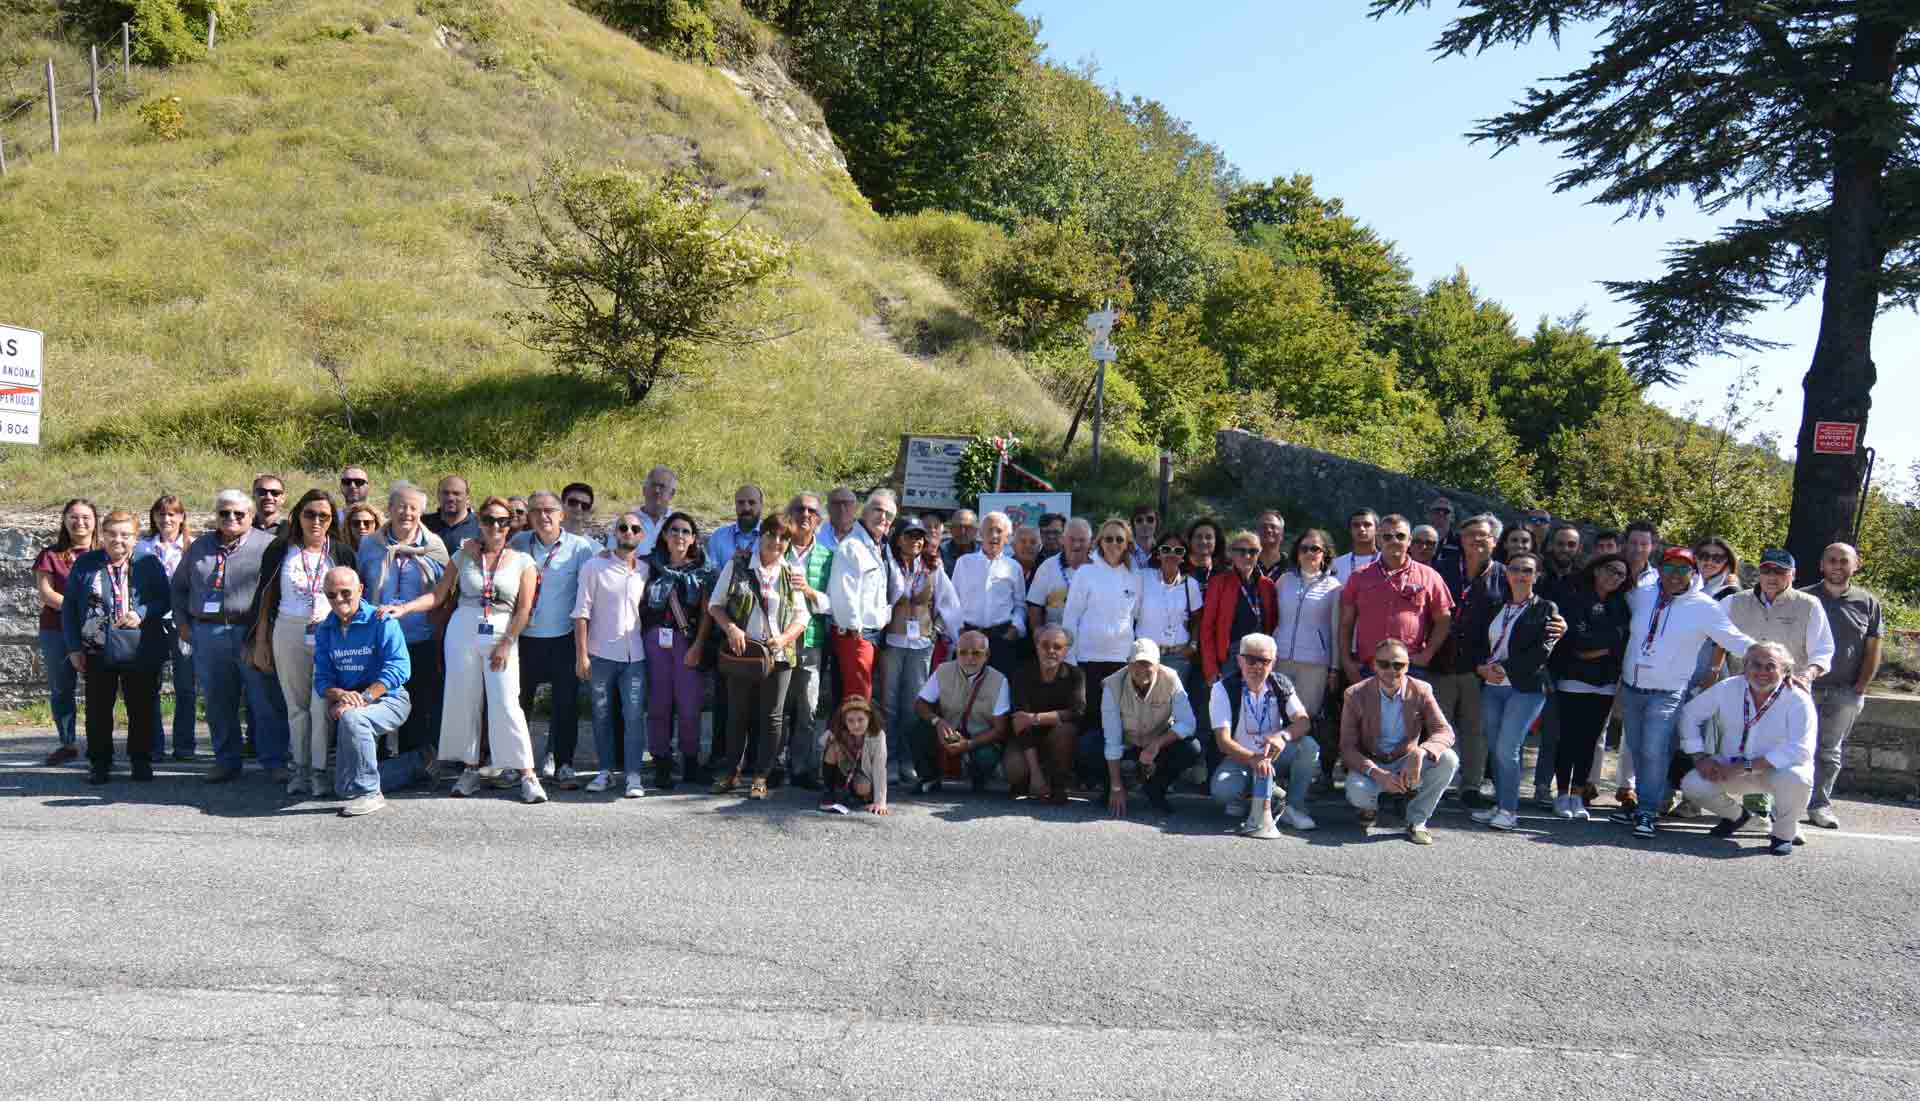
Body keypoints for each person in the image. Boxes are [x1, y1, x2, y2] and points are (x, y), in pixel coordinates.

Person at [383, 496, 545, 804]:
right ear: (479, 522)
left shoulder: (523, 561)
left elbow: (523, 610)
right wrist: (405, 609)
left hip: (501, 630)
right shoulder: (464, 554)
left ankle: (527, 774)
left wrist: (507, 642)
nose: (495, 527)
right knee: (462, 700)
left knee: (507, 702)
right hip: (462, 630)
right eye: (488, 520)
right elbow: (438, 596)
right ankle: (470, 768)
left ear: (510, 525)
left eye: (502, 521)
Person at [1612, 547, 1755, 839]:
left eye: (1682, 570)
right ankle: (1642, 804)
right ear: (1660, 570)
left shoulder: (1703, 606)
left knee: (1654, 749)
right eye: (1669, 568)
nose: (1675, 575)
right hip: (1632, 688)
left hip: (1667, 692)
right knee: (1637, 749)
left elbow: (1734, 639)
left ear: (1693, 574)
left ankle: (1648, 811)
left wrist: (1771, 658)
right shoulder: (1642, 594)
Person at [249, 489, 357, 797]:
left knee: (321, 703)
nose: (316, 521)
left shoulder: (340, 551)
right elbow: (266, 599)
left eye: (324, 516)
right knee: (296, 707)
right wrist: (260, 642)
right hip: (288, 630)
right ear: (298, 515)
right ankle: (300, 768)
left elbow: (354, 597)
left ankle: (321, 770)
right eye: (310, 514)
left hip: (329, 634)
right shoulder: (281, 550)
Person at [173, 490, 285, 783]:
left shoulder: (269, 545)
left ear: (251, 515)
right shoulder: (199, 546)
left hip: (251, 632)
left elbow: (278, 590)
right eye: (224, 513)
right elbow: (178, 587)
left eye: (239, 513)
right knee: (217, 701)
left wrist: (268, 632)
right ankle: (226, 760)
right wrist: (183, 625)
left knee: (265, 699)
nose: (231, 518)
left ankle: (274, 761)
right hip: (207, 633)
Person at [63, 510, 173, 784]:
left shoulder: (149, 563)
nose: (118, 540)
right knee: (98, 709)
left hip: (139, 645)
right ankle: (100, 763)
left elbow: (166, 599)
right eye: (112, 533)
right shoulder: (86, 563)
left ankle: (140, 760)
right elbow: (69, 607)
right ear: (102, 535)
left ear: (136, 538)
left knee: (141, 707)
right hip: (96, 646)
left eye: (125, 535)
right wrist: (74, 647)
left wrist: (142, 612)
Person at [1676, 641, 1815, 856]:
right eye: (1755, 665)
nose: (1762, 672)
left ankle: (1783, 833)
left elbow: (1800, 750)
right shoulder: (1729, 687)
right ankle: (1739, 817)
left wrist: (1746, 766)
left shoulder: (1798, 698)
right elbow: (1690, 714)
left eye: (1770, 666)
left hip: (1777, 771)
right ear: (1745, 667)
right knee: (1693, 784)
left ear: (1784, 670)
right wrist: (1700, 757)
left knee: (1797, 779)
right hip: (1731, 767)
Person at [707, 513, 810, 800]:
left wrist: (785, 638)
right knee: (736, 714)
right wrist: (731, 629)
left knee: (772, 717)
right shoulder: (738, 564)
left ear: (788, 543)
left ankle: (761, 776)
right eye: (771, 534)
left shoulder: (791, 572)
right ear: (761, 535)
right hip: (744, 653)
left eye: (783, 538)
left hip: (778, 655)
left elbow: (803, 617)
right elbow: (715, 605)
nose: (775, 542)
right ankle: (730, 773)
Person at [1458, 551, 1560, 831]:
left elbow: (1542, 650)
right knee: (1495, 748)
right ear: (1507, 573)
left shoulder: (1545, 608)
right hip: (1492, 687)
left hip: (1525, 688)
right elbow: (1479, 642)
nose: (1520, 575)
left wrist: (1504, 669)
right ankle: (1500, 805)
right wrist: (1481, 668)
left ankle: (1509, 811)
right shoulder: (1496, 607)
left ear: (1536, 575)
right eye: (1515, 569)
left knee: (1507, 749)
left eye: (1527, 570)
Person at [314, 567, 427, 817]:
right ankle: (420, 762)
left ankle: (370, 793)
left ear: (360, 590)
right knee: (344, 789)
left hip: (390, 699)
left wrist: (362, 700)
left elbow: (400, 668)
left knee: (354, 718)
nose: (340, 599)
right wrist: (340, 694)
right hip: (349, 704)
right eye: (332, 595)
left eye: (346, 593)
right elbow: (322, 680)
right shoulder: (324, 630)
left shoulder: (381, 620)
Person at [356, 484, 451, 769]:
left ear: (421, 511)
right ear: (389, 508)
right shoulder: (370, 545)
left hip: (419, 637)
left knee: (418, 704)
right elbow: (359, 587)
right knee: (375, 699)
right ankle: (377, 763)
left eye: (412, 507)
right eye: (400, 506)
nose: (406, 513)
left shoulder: (434, 547)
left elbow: (445, 593)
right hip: (379, 638)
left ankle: (411, 767)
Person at [507, 491, 598, 787]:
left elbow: (590, 594)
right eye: (536, 511)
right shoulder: (519, 544)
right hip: (527, 638)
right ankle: (517, 763)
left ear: (561, 515)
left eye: (549, 511)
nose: (543, 516)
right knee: (519, 703)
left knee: (565, 704)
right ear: (529, 517)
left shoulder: (580, 548)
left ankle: (564, 764)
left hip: (563, 639)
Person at [1340, 639, 1459, 845]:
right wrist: (1379, 774)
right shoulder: (1355, 694)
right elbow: (1347, 748)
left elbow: (1444, 731)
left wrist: (1420, 752)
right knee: (1358, 792)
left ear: (1407, 666)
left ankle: (1417, 820)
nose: (1391, 670)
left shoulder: (1421, 690)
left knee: (1449, 759)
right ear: (1374, 665)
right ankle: (1369, 808)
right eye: (1384, 664)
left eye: (1398, 665)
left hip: (1407, 761)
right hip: (1373, 763)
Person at [1802, 543, 1883, 830]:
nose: (1837, 565)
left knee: (1829, 751)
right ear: (1822, 565)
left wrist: (1860, 687)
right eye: (1831, 560)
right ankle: (1786, 805)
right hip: (1804, 688)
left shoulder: (1868, 602)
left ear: (1855, 565)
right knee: (1796, 748)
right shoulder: (1804, 598)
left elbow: (1873, 648)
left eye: (1843, 561)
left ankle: (1819, 806)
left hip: (1845, 691)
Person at [1546, 553, 1631, 819]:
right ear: (1596, 570)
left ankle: (1577, 795)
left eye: (1620, 574)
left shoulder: (1621, 605)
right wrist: (1609, 643)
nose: (1613, 577)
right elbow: (1579, 644)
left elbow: (1623, 643)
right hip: (1573, 679)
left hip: (1605, 684)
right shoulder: (1576, 598)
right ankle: (1561, 795)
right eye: (1610, 569)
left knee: (1588, 743)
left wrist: (1603, 645)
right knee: (1568, 740)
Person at [573, 511, 651, 799]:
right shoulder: (595, 566)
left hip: (635, 657)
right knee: (602, 715)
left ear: (642, 536)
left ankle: (633, 775)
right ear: (615, 533)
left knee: (632, 716)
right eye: (623, 528)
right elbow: (581, 613)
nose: (628, 532)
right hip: (600, 654)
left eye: (634, 529)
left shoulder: (645, 569)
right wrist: (582, 655)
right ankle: (605, 771)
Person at [1430, 512, 1506, 807]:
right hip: (1442, 661)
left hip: (1480, 668)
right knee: (1439, 727)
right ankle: (1435, 783)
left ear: (1494, 542)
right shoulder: (1443, 569)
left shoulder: (1504, 574)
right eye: (1469, 535)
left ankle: (1470, 786)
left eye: (1483, 535)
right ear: (1460, 540)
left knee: (1476, 730)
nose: (1475, 540)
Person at [878, 517, 961, 785]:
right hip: (892, 641)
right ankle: (887, 759)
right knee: (889, 704)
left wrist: (954, 637)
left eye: (920, 536)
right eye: (910, 535)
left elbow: (949, 604)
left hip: (922, 643)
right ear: (898, 538)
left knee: (914, 704)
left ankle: (908, 760)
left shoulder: (933, 568)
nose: (916, 541)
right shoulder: (887, 564)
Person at [1208, 633, 1317, 832]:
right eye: (1250, 660)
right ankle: (1260, 796)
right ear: (1239, 660)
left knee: (1309, 747)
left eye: (1264, 661)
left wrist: (1282, 736)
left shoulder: (1281, 684)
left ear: (1273, 663)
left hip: (1274, 755)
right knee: (1222, 792)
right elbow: (1223, 741)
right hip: (1240, 758)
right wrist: (1253, 759)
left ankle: (1293, 807)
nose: (1257, 667)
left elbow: (1303, 722)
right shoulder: (1222, 689)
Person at [641, 512, 715, 787]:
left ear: (694, 538)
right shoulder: (648, 566)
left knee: (689, 706)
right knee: (659, 704)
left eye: (685, 531)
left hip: (688, 643)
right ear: (664, 535)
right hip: (655, 642)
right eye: (674, 530)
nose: (679, 536)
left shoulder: (704, 571)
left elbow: (708, 613)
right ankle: (661, 761)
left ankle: (691, 763)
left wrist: (698, 645)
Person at [1063, 518, 1141, 777]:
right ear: (1099, 542)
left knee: (1114, 722)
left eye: (1119, 539)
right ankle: (1087, 775)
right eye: (1108, 538)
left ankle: (1110, 778)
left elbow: (1136, 617)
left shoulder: (1135, 575)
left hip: (1120, 661)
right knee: (1089, 718)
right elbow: (1071, 616)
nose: (1114, 544)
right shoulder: (1086, 572)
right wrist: (1070, 658)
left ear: (1127, 543)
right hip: (1087, 659)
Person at [1338, 515, 1453, 686]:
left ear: (1409, 541)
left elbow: (1444, 620)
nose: (1394, 541)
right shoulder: (1359, 576)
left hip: (1410, 668)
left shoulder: (1430, 576)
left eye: (1400, 536)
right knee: (1369, 714)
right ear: (1378, 540)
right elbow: (1346, 623)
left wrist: (1426, 655)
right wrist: (1347, 662)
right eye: (1387, 536)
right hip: (1368, 668)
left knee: (1408, 714)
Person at [1092, 639, 1201, 815]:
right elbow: (1112, 739)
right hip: (1127, 742)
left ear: (1158, 665)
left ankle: (1155, 788)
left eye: (1147, 664)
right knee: (1089, 746)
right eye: (1136, 663)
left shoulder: (1172, 679)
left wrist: (1157, 744)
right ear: (1128, 663)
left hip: (1158, 744)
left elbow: (1188, 723)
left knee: (1191, 748)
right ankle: (1115, 787)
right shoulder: (1112, 685)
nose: (1141, 669)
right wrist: (1116, 786)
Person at [908, 629, 1011, 794]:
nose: (969, 658)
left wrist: (969, 744)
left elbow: (1000, 730)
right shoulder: (943, 670)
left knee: (986, 755)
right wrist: (937, 721)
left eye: (976, 653)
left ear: (987, 655)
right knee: (917, 727)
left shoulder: (1000, 681)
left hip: (979, 739)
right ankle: (929, 778)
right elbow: (920, 704)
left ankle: (979, 778)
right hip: (948, 733)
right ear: (956, 652)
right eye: (963, 652)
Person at [782, 493, 837, 790]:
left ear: (819, 519)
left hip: (811, 640)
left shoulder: (829, 556)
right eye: (799, 509)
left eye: (811, 510)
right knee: (775, 706)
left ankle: (801, 768)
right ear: (790, 514)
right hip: (777, 640)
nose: (805, 514)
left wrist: (811, 592)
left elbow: (833, 603)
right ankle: (772, 765)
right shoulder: (776, 546)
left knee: (807, 707)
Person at [39, 497, 99, 766]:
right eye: (73, 516)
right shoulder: (50, 555)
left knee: (99, 687)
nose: (80, 522)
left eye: (86, 516)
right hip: (56, 629)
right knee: (62, 688)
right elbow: (46, 592)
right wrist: (76, 606)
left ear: (95, 521)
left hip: (96, 629)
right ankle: (68, 742)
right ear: (64, 520)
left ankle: (100, 742)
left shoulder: (103, 553)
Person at [136, 494, 195, 760]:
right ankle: (154, 746)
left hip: (182, 623)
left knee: (185, 687)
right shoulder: (142, 547)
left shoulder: (193, 547)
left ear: (182, 517)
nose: (167, 519)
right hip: (151, 622)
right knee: (151, 686)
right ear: (154, 517)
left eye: (172, 514)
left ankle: (184, 746)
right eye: (161, 514)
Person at [827, 490, 898, 699]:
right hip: (855, 635)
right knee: (858, 699)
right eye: (878, 510)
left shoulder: (880, 546)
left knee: (858, 698)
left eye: (889, 515)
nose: (883, 518)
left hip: (872, 634)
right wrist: (855, 631)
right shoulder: (852, 546)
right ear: (864, 512)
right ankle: (850, 734)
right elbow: (843, 594)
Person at [1006, 625, 1085, 803]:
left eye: (1057, 647)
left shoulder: (1075, 674)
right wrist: (1034, 773)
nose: (1051, 651)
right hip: (1027, 738)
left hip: (1058, 737)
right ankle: (1033, 781)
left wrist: (1035, 718)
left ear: (1066, 651)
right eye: (1045, 645)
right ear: (1036, 646)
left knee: (1065, 731)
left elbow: (1077, 712)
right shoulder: (1021, 674)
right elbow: (1020, 723)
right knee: (1013, 771)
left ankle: (1058, 784)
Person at [1272, 529, 1341, 724]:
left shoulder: (1334, 586)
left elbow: (1336, 630)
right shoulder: (1284, 580)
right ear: (1297, 552)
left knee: (1304, 718)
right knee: (1275, 716)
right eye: (1304, 548)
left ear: (1324, 554)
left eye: (1315, 548)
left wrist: (1335, 669)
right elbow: (1272, 619)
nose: (1310, 553)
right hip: (1280, 659)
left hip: (1314, 665)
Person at [1198, 529, 1279, 692]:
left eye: (1253, 551)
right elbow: (1207, 628)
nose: (1247, 556)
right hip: (1231, 655)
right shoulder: (1219, 583)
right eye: (1241, 551)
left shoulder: (1267, 585)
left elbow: (1273, 622)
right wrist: (1211, 669)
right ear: (1231, 554)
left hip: (1260, 655)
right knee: (1230, 706)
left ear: (1259, 554)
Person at [951, 511, 1027, 677]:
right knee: (967, 688)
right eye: (989, 530)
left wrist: (1014, 629)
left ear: (1007, 537)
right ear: (980, 534)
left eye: (999, 531)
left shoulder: (1014, 567)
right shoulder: (964, 563)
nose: (994, 535)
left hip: (1002, 638)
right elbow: (953, 601)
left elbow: (1020, 605)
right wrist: (959, 631)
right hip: (969, 637)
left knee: (1000, 690)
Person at [1135, 529, 1205, 683]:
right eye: (1166, 549)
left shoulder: (1190, 584)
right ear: (1158, 554)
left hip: (1178, 658)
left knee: (1174, 704)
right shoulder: (1142, 577)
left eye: (1178, 551)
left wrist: (1193, 645)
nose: (1172, 554)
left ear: (1183, 557)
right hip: (1145, 655)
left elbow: (1197, 616)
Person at [820, 695, 889, 815]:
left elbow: (880, 768)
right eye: (850, 720)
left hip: (864, 775)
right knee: (832, 748)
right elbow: (821, 743)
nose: (856, 725)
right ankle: (829, 791)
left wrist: (880, 801)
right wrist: (832, 738)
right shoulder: (840, 730)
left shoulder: (878, 735)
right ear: (844, 721)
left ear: (869, 718)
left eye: (861, 720)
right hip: (845, 769)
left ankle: (855, 794)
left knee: (863, 787)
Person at [1026, 517, 1091, 635]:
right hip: (1056, 645)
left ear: (1090, 541)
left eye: (1082, 540)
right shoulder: (1047, 567)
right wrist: (1039, 636)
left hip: (1091, 643)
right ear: (1063, 540)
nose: (1076, 545)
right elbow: (1034, 606)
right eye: (1072, 539)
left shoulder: (1098, 567)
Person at [708, 484, 764, 564]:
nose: (746, 508)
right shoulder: (718, 537)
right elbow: (712, 573)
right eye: (741, 503)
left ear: (761, 505)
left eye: (752, 503)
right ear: (735, 505)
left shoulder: (774, 538)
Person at [625, 468, 677, 551]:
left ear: (672, 493)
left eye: (662, 486)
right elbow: (611, 557)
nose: (657, 490)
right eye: (653, 485)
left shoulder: (679, 524)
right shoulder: (626, 523)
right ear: (644, 490)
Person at [424, 475, 479, 548]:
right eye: (445, 493)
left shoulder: (480, 525)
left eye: (456, 494)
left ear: (467, 498)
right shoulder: (423, 524)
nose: (450, 498)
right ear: (438, 496)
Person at [1330, 509, 1380, 583]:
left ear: (1377, 530)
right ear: (1350, 530)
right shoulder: (1336, 565)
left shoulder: (1388, 561)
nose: (1361, 529)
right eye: (1356, 525)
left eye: (1367, 525)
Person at [1183, 517, 1223, 587]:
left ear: (1216, 541)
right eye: (1199, 537)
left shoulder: (1224, 572)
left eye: (1208, 537)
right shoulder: (1180, 568)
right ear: (1190, 540)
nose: (1203, 541)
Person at [940, 508, 979, 574]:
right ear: (951, 529)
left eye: (967, 527)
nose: (962, 532)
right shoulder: (941, 552)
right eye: (958, 527)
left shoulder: (984, 553)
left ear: (975, 530)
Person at [1253, 510, 1288, 582]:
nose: (1268, 530)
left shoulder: (1291, 566)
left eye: (1273, 527)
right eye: (1263, 526)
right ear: (1256, 532)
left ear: (1282, 534)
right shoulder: (1246, 563)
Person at [822, 486, 860, 552]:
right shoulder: (817, 533)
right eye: (836, 504)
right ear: (827, 508)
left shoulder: (866, 533)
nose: (842, 509)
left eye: (847, 503)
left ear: (856, 507)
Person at [1130, 505, 1162, 571]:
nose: (1145, 523)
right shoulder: (1124, 551)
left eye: (1150, 520)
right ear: (1133, 525)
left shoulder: (1164, 551)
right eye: (1139, 520)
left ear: (1157, 523)